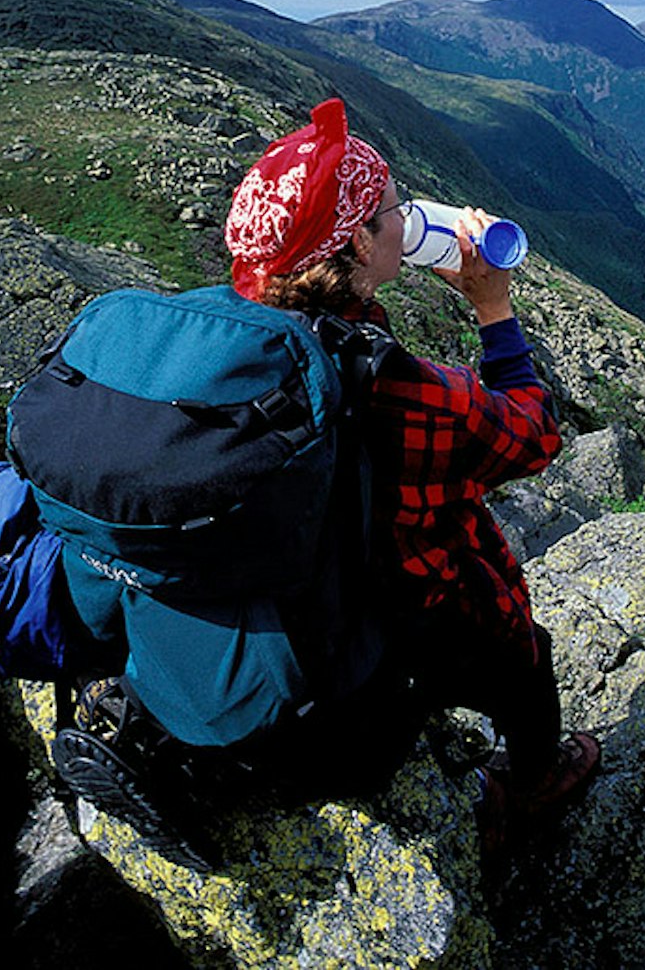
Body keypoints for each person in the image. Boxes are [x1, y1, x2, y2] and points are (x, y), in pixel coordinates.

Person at [224, 97, 601, 832]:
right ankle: (535, 781)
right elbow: (533, 435)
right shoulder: (406, 392)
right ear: (361, 245)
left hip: (273, 604)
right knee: (524, 655)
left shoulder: (232, 336)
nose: (407, 217)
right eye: (394, 207)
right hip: (398, 611)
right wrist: (494, 308)